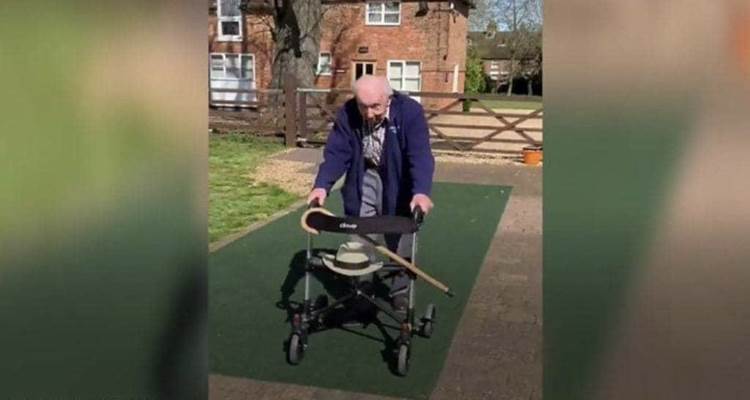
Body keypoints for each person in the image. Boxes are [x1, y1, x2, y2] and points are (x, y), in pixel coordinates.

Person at [307, 75, 435, 316]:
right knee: (360, 228)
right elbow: (336, 153)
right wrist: (322, 185)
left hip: (399, 178)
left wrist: (420, 192)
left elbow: (420, 155)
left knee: (400, 233)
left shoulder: (410, 112)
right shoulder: (348, 112)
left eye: (375, 106)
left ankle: (400, 291)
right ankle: (363, 288)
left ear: (389, 98)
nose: (368, 113)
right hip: (364, 173)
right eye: (362, 106)